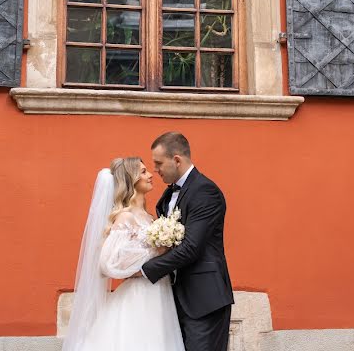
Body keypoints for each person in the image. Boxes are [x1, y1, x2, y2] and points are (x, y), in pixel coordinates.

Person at [62, 157, 184, 351]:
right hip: (140, 296)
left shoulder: (150, 216)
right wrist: (154, 253)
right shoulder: (125, 217)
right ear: (131, 179)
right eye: (143, 172)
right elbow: (108, 264)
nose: (150, 175)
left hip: (160, 293)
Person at [141, 132, 234, 351]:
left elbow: (191, 247)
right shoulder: (168, 195)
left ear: (177, 160)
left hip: (204, 300)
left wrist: (144, 270)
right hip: (176, 298)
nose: (155, 170)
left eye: (158, 163)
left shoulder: (205, 191)